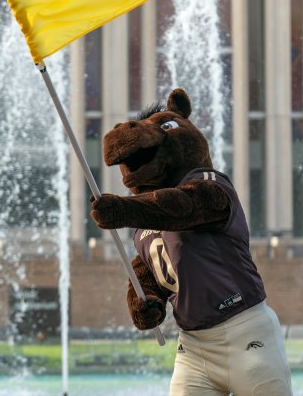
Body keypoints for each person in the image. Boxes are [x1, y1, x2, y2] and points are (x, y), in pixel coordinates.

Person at [90, 88, 292, 395]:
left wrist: (124, 210)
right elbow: (146, 273)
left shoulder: (212, 184)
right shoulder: (143, 228)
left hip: (246, 331)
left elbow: (185, 206)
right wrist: (146, 304)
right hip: (195, 348)